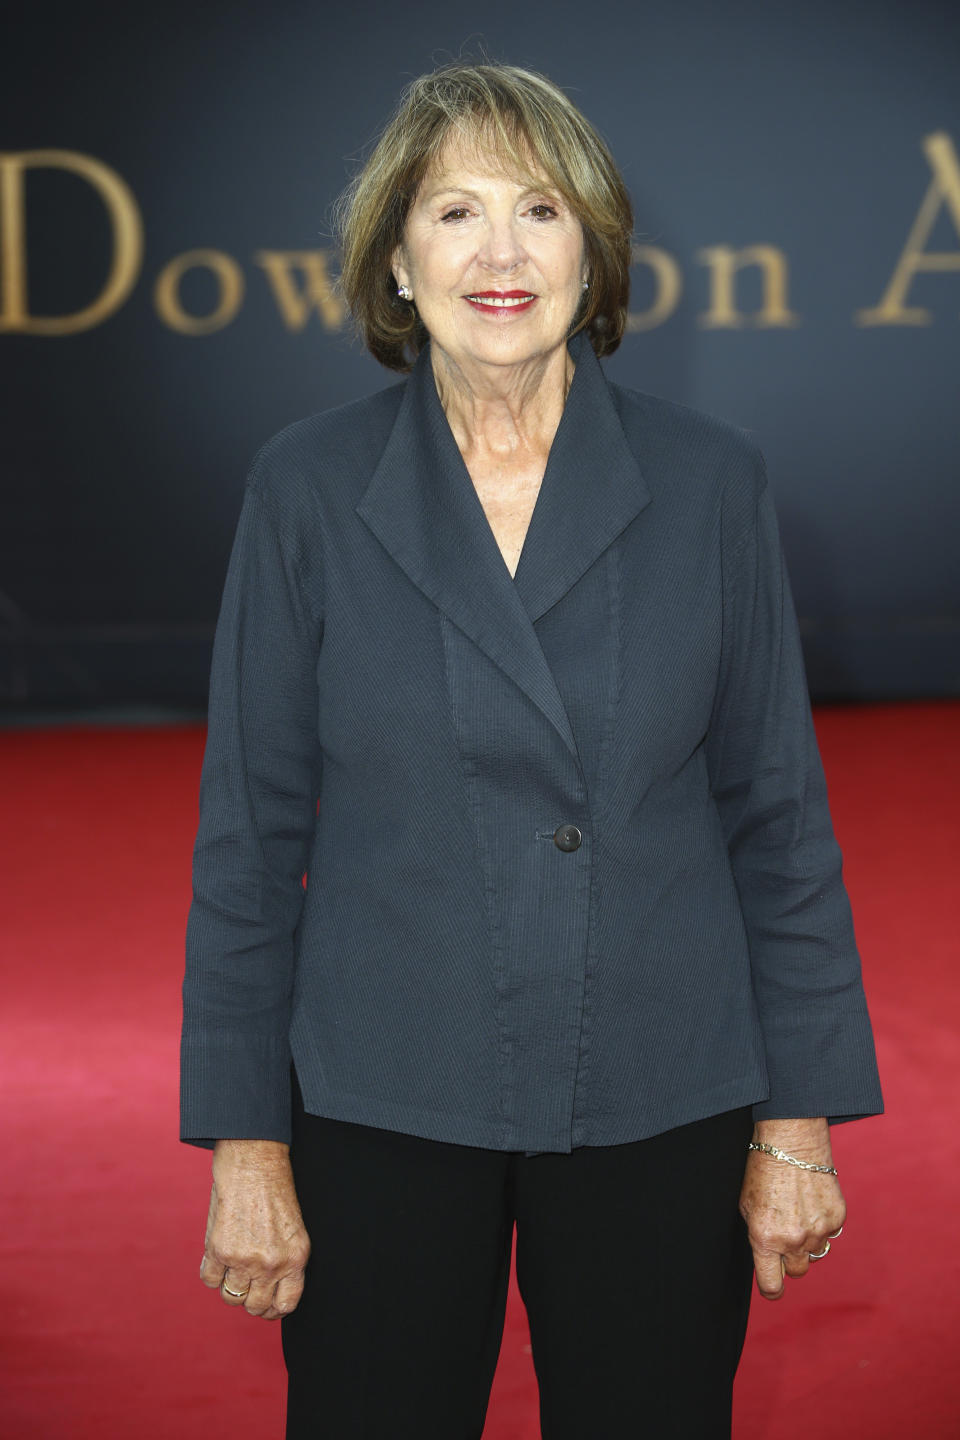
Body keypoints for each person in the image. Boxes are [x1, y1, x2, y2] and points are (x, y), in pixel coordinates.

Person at [181, 62, 883, 1440]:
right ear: (397, 260)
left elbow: (778, 819)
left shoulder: (711, 482)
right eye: (454, 212)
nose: (500, 252)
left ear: (592, 253)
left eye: (542, 209)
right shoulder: (306, 489)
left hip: (660, 1090)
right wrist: (246, 1140)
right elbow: (249, 838)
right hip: (383, 1091)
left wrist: (796, 1126)